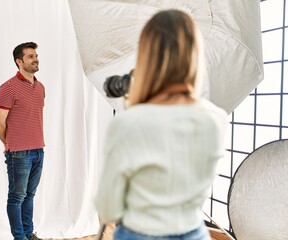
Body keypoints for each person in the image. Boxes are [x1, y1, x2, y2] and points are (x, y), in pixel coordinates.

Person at [95, 10, 227, 240]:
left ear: (146, 56)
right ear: (194, 55)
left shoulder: (129, 123)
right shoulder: (216, 118)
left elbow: (109, 208)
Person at [0, 42, 45, 240]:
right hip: (19, 153)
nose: (35, 59)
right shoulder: (8, 88)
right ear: (19, 61)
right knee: (16, 197)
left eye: (36, 55)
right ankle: (19, 237)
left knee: (29, 196)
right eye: (30, 56)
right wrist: (11, 145)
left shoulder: (40, 87)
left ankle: (28, 234)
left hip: (39, 150)